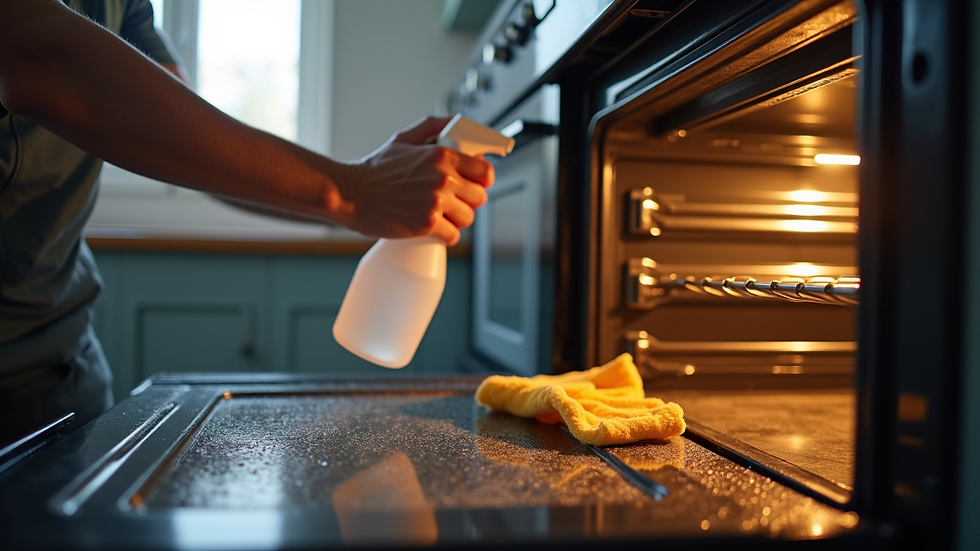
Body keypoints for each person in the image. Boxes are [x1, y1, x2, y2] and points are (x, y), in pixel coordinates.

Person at [0, 0, 493, 446]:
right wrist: (354, 190)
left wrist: (370, 194)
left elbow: (181, 143)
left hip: (66, 358)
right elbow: (37, 56)